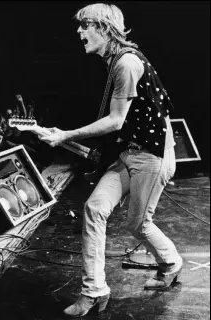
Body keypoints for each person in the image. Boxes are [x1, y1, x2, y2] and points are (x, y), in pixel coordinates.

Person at [38, 4, 181, 317]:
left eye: (85, 26)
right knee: (94, 208)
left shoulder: (126, 63)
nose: (79, 32)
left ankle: (171, 262)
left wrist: (65, 135)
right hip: (128, 153)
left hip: (152, 157)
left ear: (103, 28)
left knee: (138, 224)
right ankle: (93, 291)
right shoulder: (115, 61)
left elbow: (116, 120)